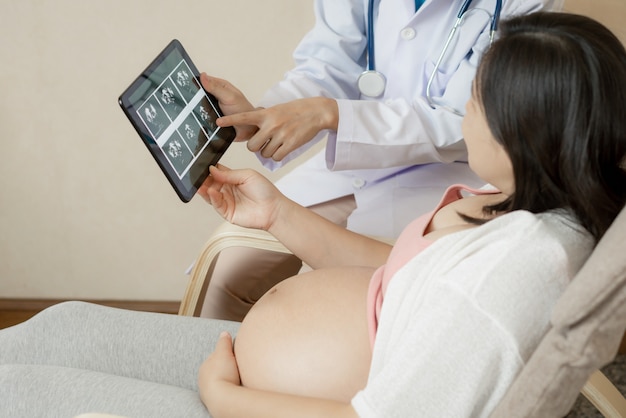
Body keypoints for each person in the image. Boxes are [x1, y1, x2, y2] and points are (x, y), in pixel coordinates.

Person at [1, 11, 625, 418]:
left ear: (525, 128)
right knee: (62, 326)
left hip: (264, 401)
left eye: (475, 101)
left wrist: (224, 397)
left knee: (22, 389)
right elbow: (406, 272)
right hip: (266, 374)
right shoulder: (519, 209)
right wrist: (275, 212)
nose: (463, 113)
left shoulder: (513, 273)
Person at [198, 0, 562, 321]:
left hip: (450, 175)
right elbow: (326, 65)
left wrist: (333, 115)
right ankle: (205, 376)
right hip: (354, 163)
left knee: (345, 297)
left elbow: (472, 118)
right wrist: (261, 119)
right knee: (228, 267)